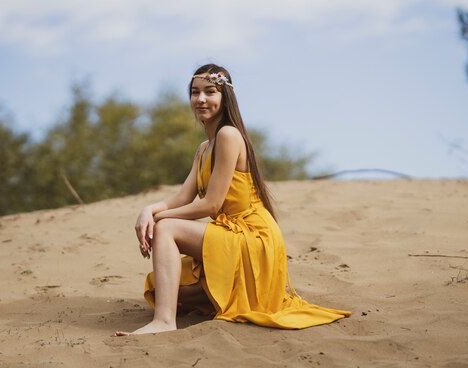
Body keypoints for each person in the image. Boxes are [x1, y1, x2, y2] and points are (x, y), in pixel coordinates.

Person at [114, 64, 350, 336]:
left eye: (210, 92)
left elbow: (210, 205)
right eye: (195, 93)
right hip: (229, 233)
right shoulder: (203, 148)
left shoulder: (228, 135)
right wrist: (148, 210)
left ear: (225, 97)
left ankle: (164, 322)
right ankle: (213, 299)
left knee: (166, 229)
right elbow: (182, 197)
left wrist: (157, 221)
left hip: (252, 236)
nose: (201, 99)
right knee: (162, 285)